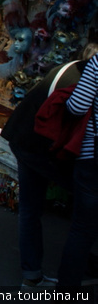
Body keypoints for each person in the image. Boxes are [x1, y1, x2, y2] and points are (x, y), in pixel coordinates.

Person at [3, 45, 98, 288]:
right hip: (40, 145)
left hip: (25, 138)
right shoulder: (78, 75)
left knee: (30, 209)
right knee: (81, 218)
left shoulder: (69, 69)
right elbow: (73, 111)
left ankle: (32, 273)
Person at [56, 46, 98, 287]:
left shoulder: (96, 63)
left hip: (93, 156)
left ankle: (67, 292)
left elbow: (77, 106)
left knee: (82, 229)